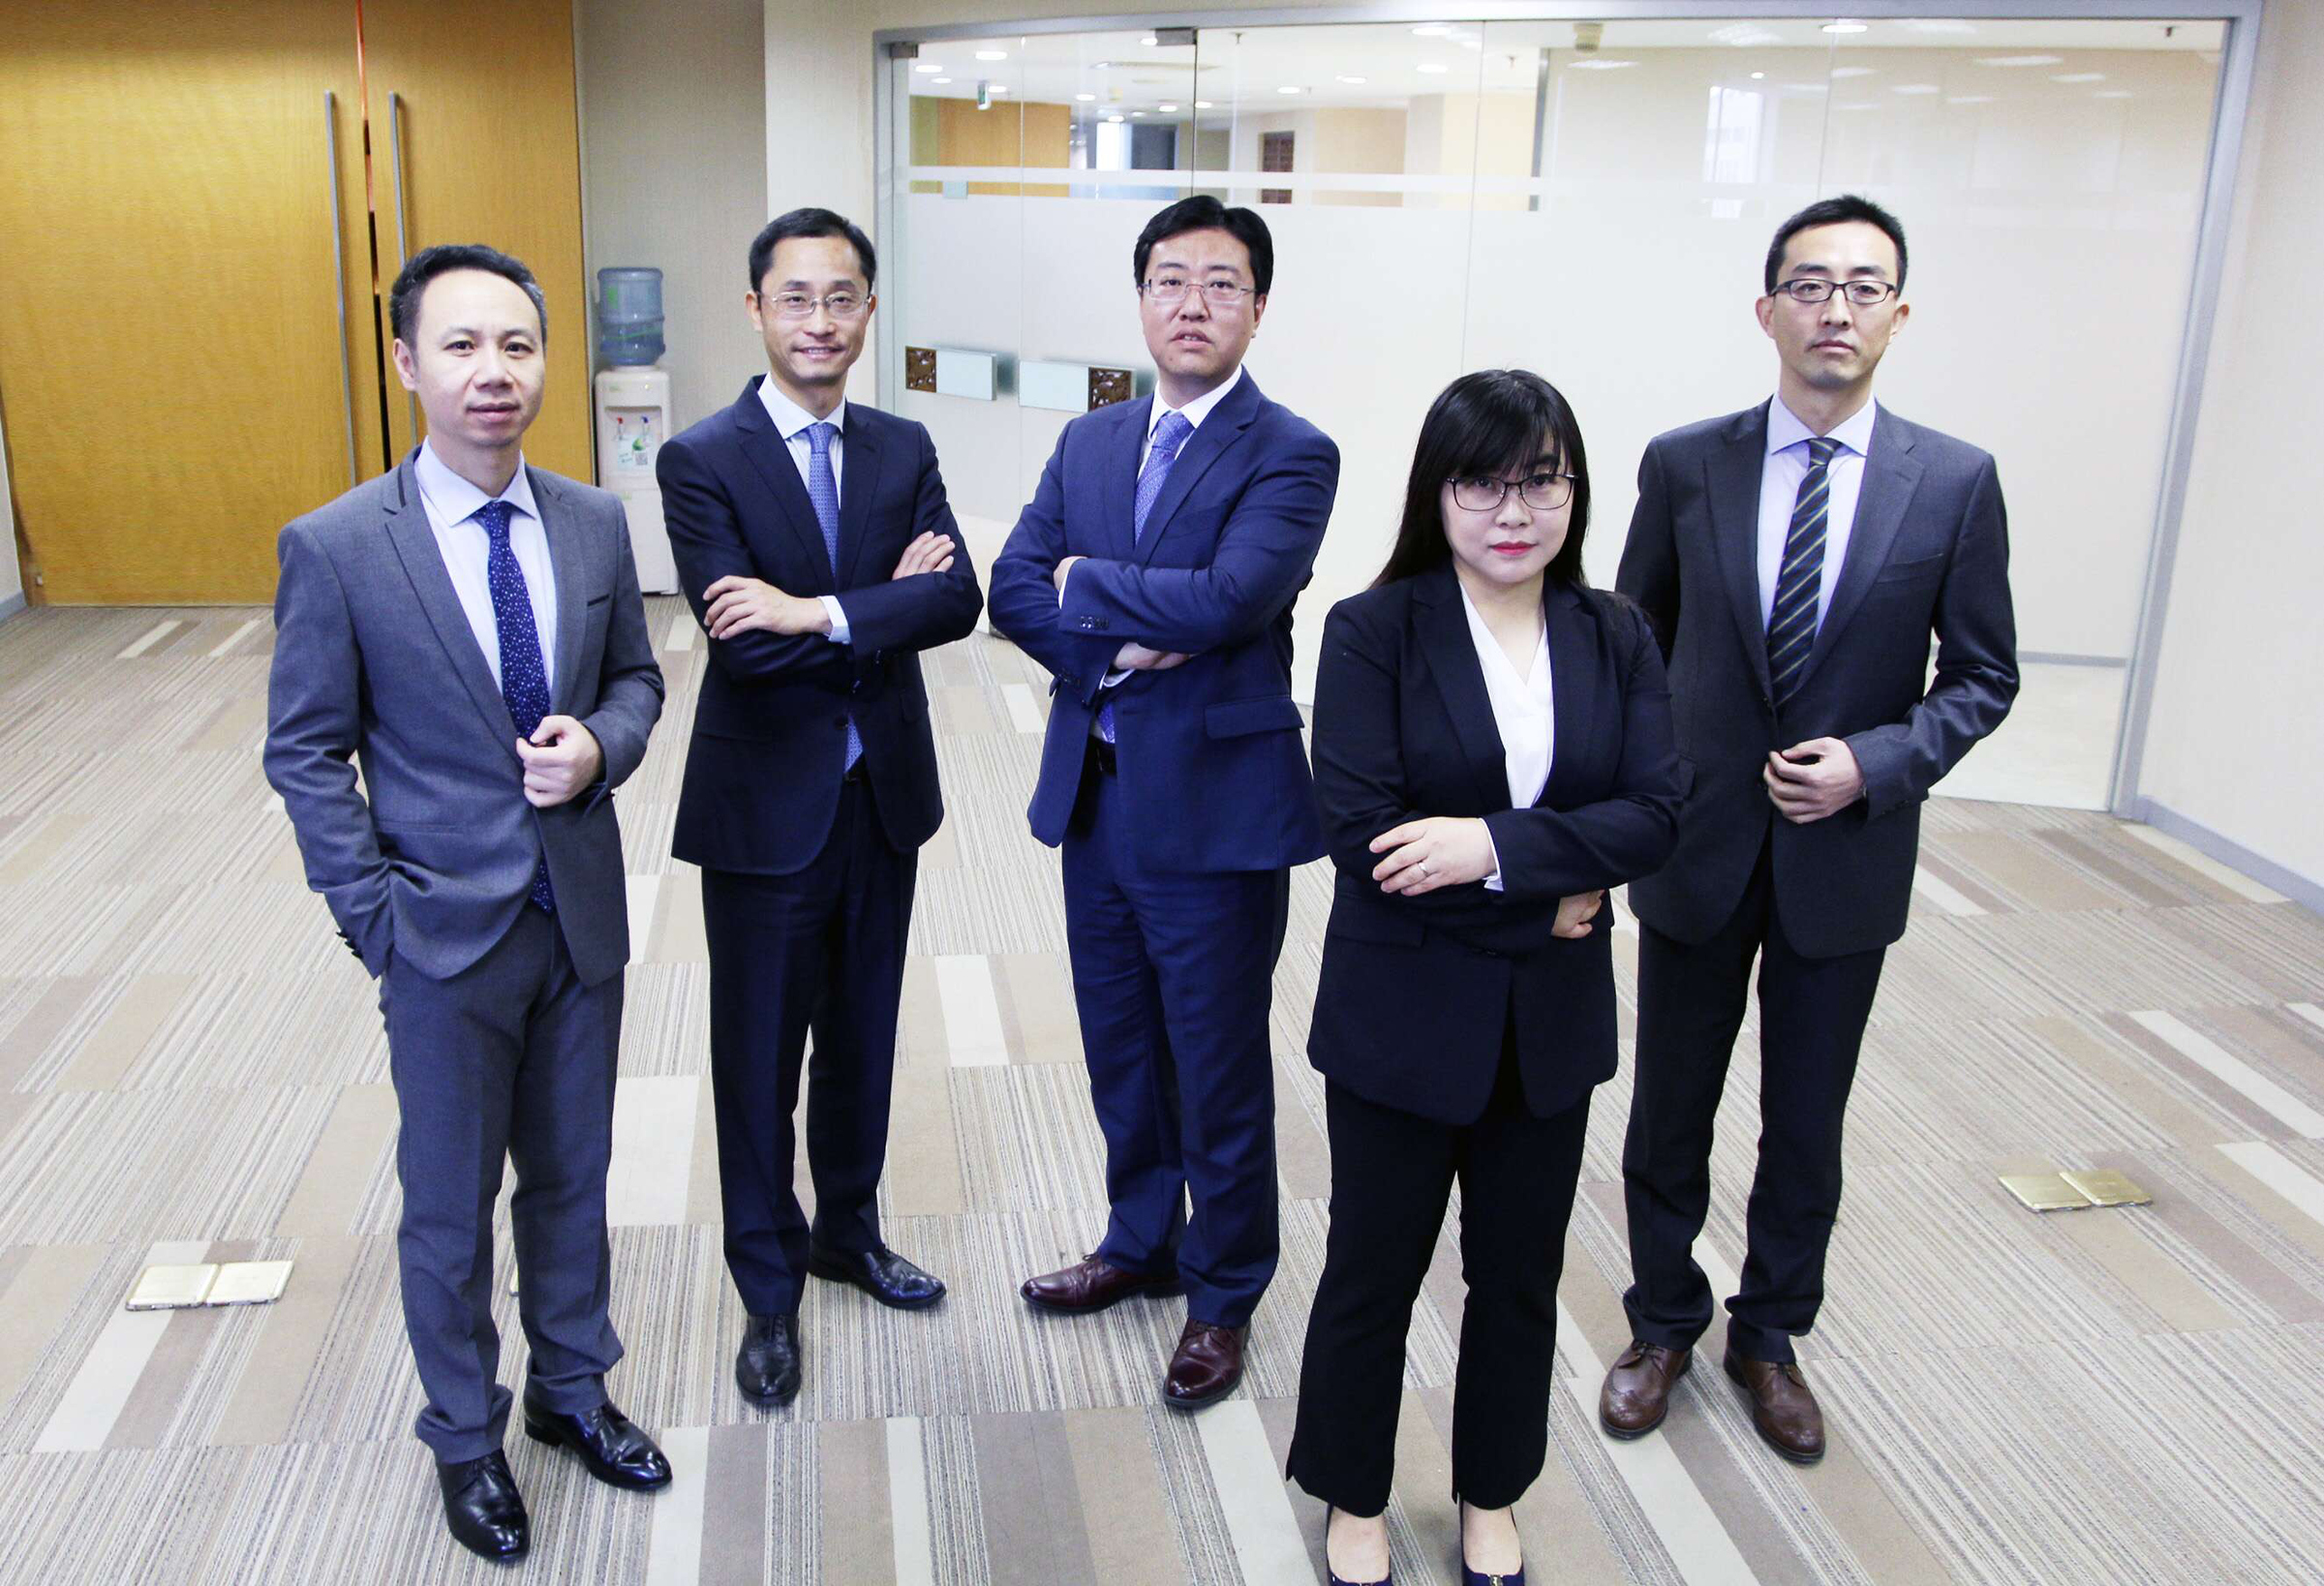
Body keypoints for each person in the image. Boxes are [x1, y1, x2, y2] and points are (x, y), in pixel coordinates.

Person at [265, 243, 668, 1563]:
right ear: (406, 363)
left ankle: (571, 1390)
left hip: (580, 913)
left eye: (517, 345)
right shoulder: (339, 546)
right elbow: (305, 750)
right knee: (449, 1206)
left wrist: (600, 746)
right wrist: (374, 917)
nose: (494, 371)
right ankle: (463, 1436)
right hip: (436, 935)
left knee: (572, 1175)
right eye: (461, 345)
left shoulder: (593, 520)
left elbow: (638, 681)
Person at [1605, 195, 2018, 1463]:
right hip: (1700, 844)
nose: (1836, 308)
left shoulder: (1954, 482)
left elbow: (1982, 675)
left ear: (1899, 313)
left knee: (1807, 1118)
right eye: (1811, 284)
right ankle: (1662, 1320)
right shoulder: (1687, 463)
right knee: (1669, 1106)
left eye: (1863, 287)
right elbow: (1634, 648)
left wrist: (1874, 763)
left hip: (1845, 855)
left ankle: (1771, 1334)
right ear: (1767, 308)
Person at [1286, 371, 1680, 1586]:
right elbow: (1364, 835)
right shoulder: (1374, 629)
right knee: (1373, 1270)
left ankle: (1490, 1495)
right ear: (1436, 491)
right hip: (1401, 1021)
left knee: (1518, 1280)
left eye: (1541, 482)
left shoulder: (1615, 631)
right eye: (1483, 484)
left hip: (1547, 1032)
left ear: (1575, 491)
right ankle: (1354, 1496)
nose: (1515, 511)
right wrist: (1549, 890)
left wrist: (1489, 848)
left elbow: (1657, 814)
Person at [987, 196, 1338, 1409]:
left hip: (1218, 814)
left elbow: (1233, 598)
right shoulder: (1090, 440)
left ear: (1258, 307)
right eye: (1171, 280)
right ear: (1141, 298)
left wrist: (1086, 583)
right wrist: (1117, 630)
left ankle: (1223, 1288)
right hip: (1096, 798)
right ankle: (1140, 1239)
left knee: (1216, 1058)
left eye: (1222, 283)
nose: (1194, 304)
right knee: (1122, 1044)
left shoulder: (1291, 452)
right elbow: (1011, 586)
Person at [657, 208, 982, 1410]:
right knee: (758, 1057)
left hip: (880, 794)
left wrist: (813, 610)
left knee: (861, 1036)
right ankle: (768, 1288)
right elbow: (742, 644)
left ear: (869, 311)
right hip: (763, 808)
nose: (820, 321)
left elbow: (959, 600)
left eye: (842, 298)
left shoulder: (901, 445)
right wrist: (873, 608)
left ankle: (848, 1230)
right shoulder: (701, 459)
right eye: (795, 298)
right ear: (756, 309)